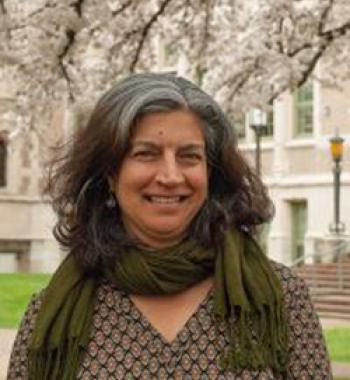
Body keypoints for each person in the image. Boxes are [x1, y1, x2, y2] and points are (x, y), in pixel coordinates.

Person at [7, 73, 332, 380]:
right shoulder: (49, 316)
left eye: (189, 156)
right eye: (146, 154)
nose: (171, 176)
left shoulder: (280, 299)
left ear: (211, 172)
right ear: (109, 172)